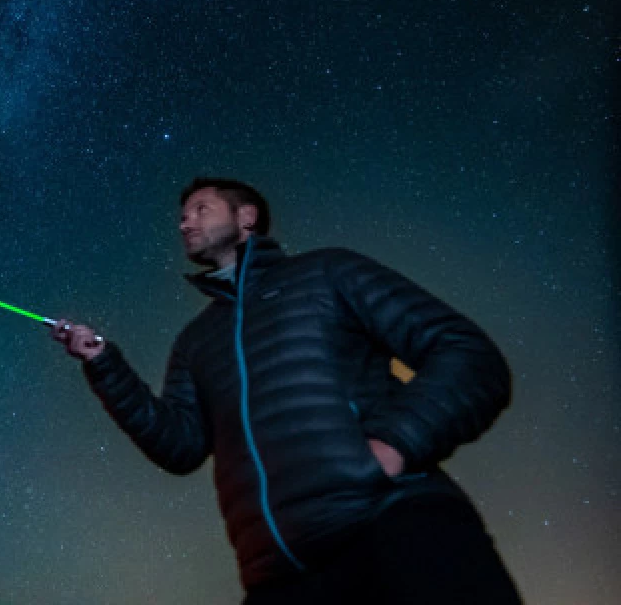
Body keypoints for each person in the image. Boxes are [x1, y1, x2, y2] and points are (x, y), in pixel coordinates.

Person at [51, 178, 523, 604]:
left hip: (397, 532)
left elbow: (468, 356)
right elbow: (180, 447)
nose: (183, 222)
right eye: (182, 215)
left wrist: (394, 445)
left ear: (246, 217)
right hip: (279, 579)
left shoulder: (327, 273)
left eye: (200, 208)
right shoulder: (195, 341)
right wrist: (103, 363)